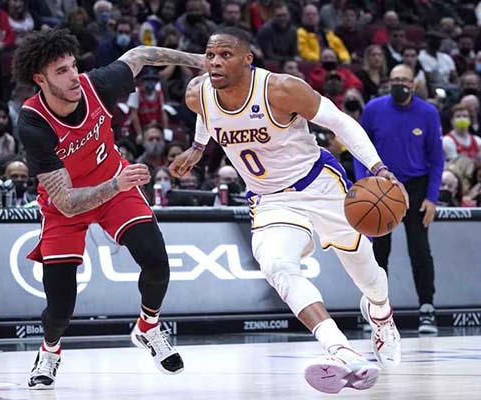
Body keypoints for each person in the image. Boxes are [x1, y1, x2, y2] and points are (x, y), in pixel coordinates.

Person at [170, 27, 404, 394]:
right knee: (276, 265)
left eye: (226, 55)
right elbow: (207, 113)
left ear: (248, 60)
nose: (215, 62)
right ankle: (341, 351)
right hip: (270, 199)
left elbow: (340, 122)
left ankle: (381, 313)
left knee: (368, 274)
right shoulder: (196, 93)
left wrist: (378, 168)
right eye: (210, 55)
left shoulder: (281, 89)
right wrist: (198, 148)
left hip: (319, 185)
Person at [12, 29, 204, 389]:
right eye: (61, 72)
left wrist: (199, 61)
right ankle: (50, 350)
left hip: (114, 185)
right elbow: (67, 202)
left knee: (157, 262)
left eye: (73, 66)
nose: (73, 77)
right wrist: (117, 184)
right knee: (60, 309)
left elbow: (141, 54)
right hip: (67, 204)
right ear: (40, 80)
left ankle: (148, 327)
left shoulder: (96, 85)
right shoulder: (33, 122)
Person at [354, 64, 444, 334]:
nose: (399, 84)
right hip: (382, 186)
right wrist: (363, 183)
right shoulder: (373, 109)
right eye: (394, 80)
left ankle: (427, 308)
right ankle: (375, 309)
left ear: (413, 85)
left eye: (404, 80)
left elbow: (437, 159)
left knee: (420, 250)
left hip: (416, 188)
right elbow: (360, 147)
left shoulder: (428, 113)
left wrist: (432, 197)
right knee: (378, 252)